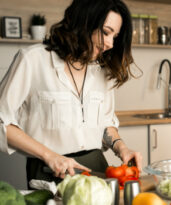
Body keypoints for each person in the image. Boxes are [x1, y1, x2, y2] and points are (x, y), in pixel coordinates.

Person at [0, 0, 142, 185]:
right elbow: (2, 120)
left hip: (96, 168)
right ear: (84, 22)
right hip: (50, 171)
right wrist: (49, 156)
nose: (110, 43)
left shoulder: (102, 70)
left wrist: (121, 147)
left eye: (114, 37)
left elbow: (105, 122)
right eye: (106, 32)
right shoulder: (33, 60)